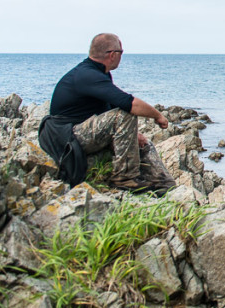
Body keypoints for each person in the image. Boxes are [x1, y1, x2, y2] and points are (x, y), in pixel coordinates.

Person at [40, 33, 176, 194]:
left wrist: (133, 134)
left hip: (82, 130)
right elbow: (129, 103)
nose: (121, 56)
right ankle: (125, 179)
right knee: (125, 114)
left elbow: (109, 108)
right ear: (112, 54)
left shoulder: (101, 74)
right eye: (121, 52)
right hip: (66, 136)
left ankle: (165, 187)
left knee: (144, 143)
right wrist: (157, 116)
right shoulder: (87, 75)